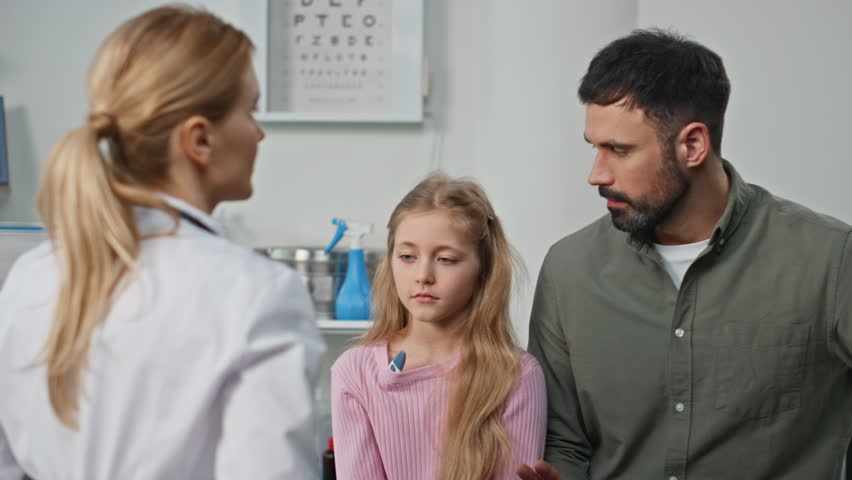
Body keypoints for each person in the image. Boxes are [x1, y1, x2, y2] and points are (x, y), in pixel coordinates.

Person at [0, 6, 325, 479]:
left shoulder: (29, 278)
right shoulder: (257, 294)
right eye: (250, 110)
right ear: (199, 140)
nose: (259, 133)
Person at [518, 29, 852, 480]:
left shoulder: (830, 261)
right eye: (595, 147)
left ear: (693, 145)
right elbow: (564, 440)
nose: (596, 174)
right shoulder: (569, 270)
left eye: (619, 150)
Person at [331, 173, 547, 480]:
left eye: (445, 259)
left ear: (482, 270)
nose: (423, 275)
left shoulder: (517, 376)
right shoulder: (354, 372)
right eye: (407, 256)